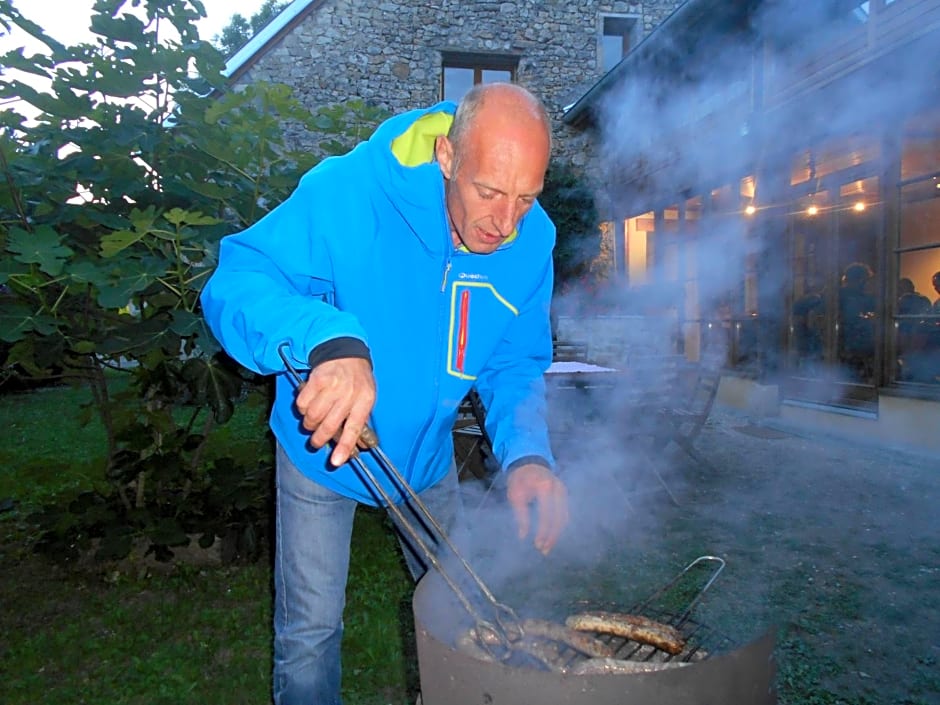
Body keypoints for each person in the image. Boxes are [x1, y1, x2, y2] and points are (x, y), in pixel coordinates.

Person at [200, 83, 569, 705]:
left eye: (525, 198)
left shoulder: (530, 243)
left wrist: (528, 454)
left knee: (463, 620)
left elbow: (513, 362)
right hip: (325, 451)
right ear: (447, 158)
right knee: (311, 634)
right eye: (489, 192)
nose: (505, 223)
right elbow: (236, 279)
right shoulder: (350, 194)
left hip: (426, 464)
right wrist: (327, 338)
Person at [837, 262, 877, 381]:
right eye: (865, 280)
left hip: (864, 347)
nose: (866, 284)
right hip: (847, 348)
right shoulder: (839, 296)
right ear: (858, 279)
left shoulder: (867, 298)